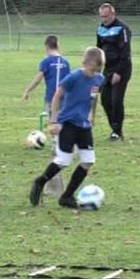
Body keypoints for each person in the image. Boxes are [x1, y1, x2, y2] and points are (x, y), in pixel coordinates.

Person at [29, 47, 105, 209]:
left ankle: (67, 196)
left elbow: (93, 98)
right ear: (85, 63)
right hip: (68, 123)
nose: (91, 72)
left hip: (84, 126)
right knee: (64, 161)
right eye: (89, 68)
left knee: (88, 160)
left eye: (95, 69)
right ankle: (40, 181)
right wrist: (53, 121)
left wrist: (92, 116)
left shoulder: (99, 79)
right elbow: (57, 95)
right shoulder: (74, 77)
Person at [96, 3, 132, 142]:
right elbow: (98, 50)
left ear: (112, 14)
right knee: (105, 100)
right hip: (107, 69)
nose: (103, 19)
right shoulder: (100, 28)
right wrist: (96, 71)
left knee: (116, 100)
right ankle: (114, 128)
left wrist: (118, 72)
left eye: (106, 16)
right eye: (101, 16)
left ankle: (117, 131)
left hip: (122, 68)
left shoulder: (122, 29)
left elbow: (125, 53)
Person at [22, 35, 71, 112]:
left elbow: (37, 80)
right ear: (57, 46)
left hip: (51, 97)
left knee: (51, 118)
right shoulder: (65, 62)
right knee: (62, 118)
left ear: (47, 46)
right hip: (64, 98)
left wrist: (28, 91)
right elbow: (69, 81)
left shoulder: (46, 62)